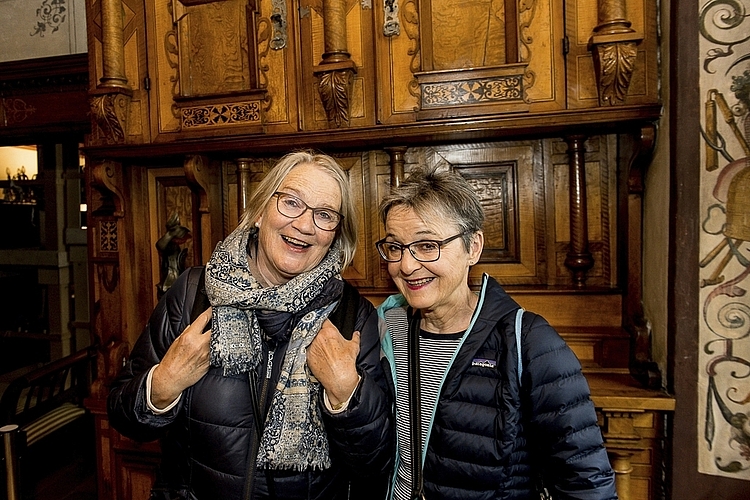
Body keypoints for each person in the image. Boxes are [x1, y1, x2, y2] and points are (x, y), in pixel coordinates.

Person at [108, 151, 393, 500]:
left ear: (335, 234)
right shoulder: (193, 294)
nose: (304, 225)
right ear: (260, 212)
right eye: (291, 202)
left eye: (324, 215)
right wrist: (163, 384)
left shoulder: (352, 317)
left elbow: (375, 464)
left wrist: (347, 393)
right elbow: (123, 416)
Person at [375, 167, 618, 500]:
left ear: (472, 247)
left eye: (427, 245)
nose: (406, 265)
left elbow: (585, 483)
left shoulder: (529, 342)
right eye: (395, 247)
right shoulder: (385, 328)